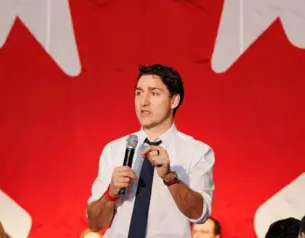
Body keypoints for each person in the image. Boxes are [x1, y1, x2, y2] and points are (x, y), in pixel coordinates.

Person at [86, 64, 215, 237]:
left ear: (174, 100)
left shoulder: (198, 152)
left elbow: (199, 214)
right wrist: (110, 193)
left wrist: (170, 178)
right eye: (139, 93)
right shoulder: (114, 149)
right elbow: (95, 224)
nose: (144, 101)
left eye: (154, 93)